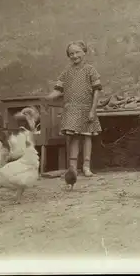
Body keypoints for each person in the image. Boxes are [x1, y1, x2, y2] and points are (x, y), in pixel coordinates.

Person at [44, 40, 102, 177]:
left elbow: (97, 91)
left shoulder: (90, 70)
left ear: (84, 52)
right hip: (71, 109)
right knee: (74, 138)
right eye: (71, 53)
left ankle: (86, 166)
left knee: (87, 137)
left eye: (77, 52)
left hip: (87, 108)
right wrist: (47, 99)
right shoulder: (66, 72)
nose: (74, 56)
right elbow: (58, 90)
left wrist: (93, 110)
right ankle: (73, 167)